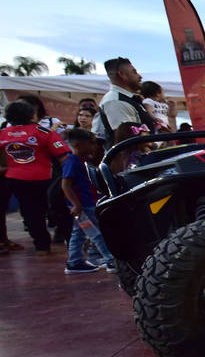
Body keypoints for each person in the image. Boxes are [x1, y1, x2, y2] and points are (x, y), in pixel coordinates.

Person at [0, 100, 69, 255]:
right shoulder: (44, 132)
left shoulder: (3, 133)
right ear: (32, 114)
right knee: (55, 208)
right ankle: (68, 241)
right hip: (43, 178)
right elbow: (63, 156)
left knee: (30, 212)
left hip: (15, 179)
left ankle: (42, 246)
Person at [60, 127, 115, 274]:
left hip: (86, 204)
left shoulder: (82, 161)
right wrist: (77, 204)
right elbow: (65, 185)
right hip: (83, 206)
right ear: (78, 145)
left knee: (79, 234)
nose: (93, 146)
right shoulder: (72, 162)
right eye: (90, 143)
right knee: (96, 233)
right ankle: (110, 260)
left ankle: (75, 261)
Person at [97, 57, 155, 172]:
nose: (140, 76)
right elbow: (129, 142)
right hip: (132, 170)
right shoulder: (116, 101)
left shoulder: (130, 99)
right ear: (122, 75)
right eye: (134, 72)